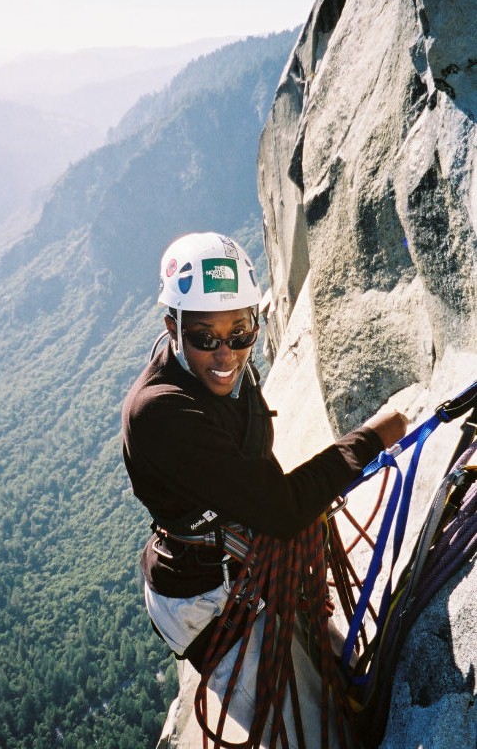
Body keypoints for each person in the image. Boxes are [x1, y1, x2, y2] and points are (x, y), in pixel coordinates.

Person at [121, 231, 407, 748]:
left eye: (241, 330)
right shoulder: (160, 413)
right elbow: (280, 508)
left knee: (336, 678)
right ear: (173, 327)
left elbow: (263, 473)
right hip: (202, 599)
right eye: (205, 336)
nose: (226, 352)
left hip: (244, 563)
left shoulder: (231, 369)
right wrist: (371, 438)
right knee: (312, 731)